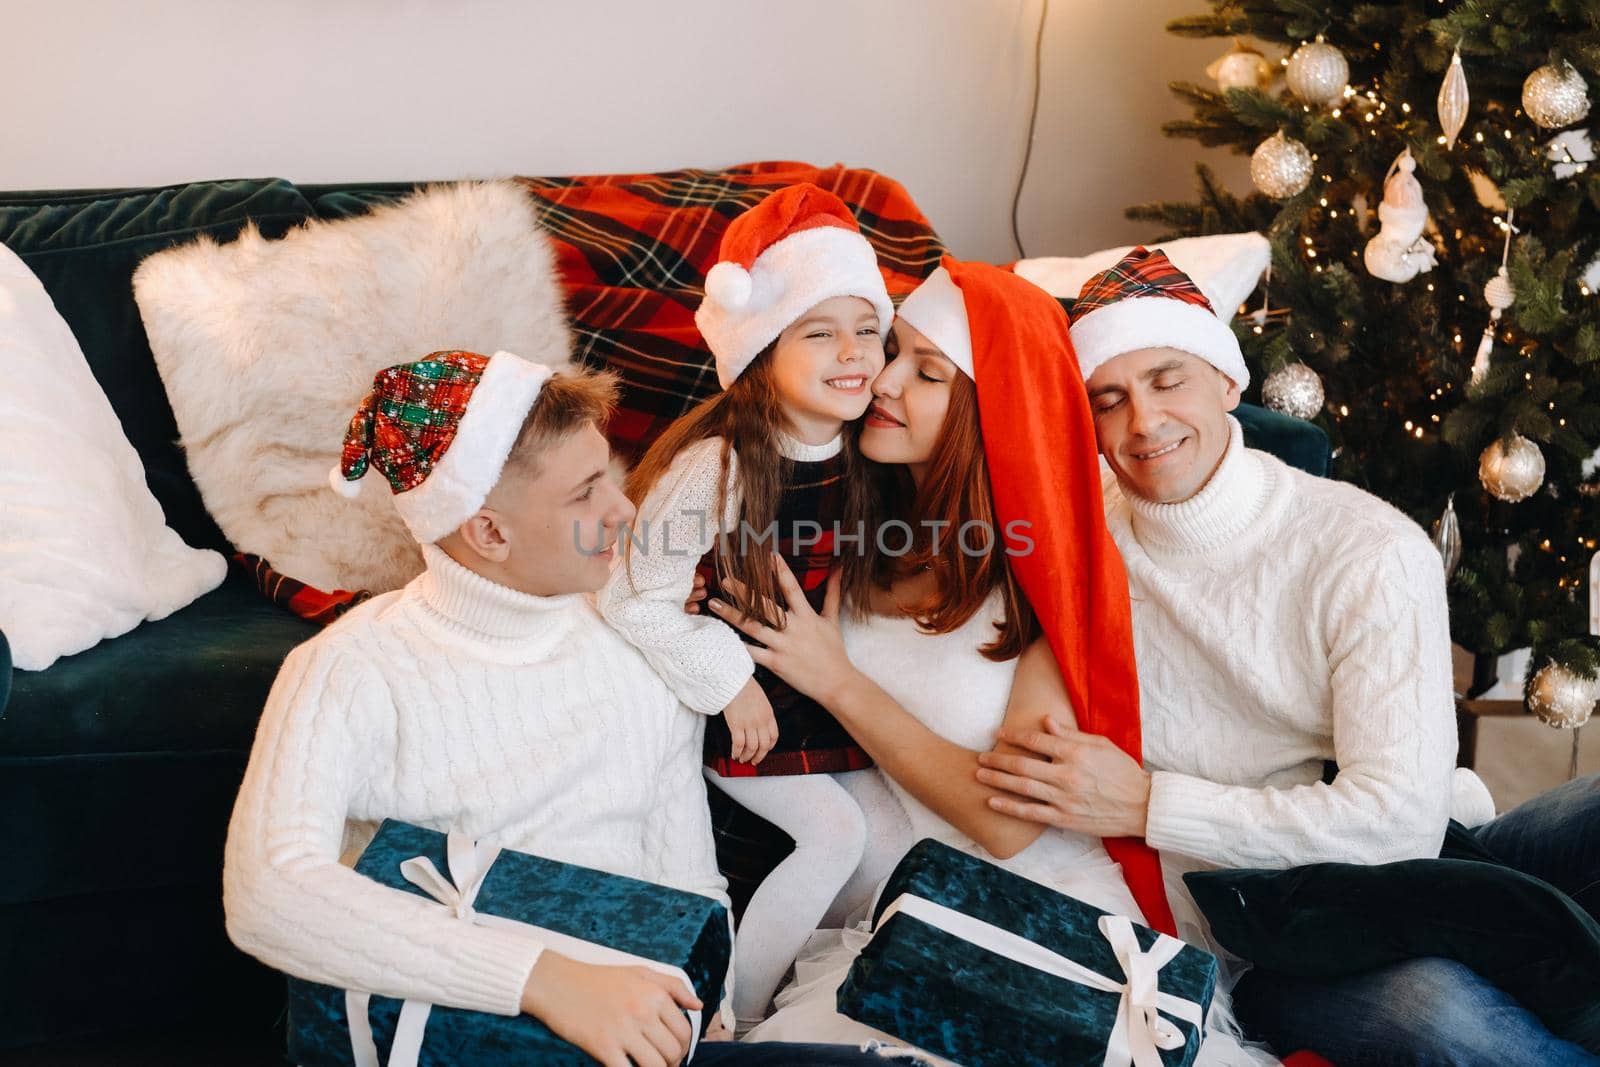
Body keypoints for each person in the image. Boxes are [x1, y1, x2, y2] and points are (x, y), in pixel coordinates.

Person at [976, 246, 1600, 1065]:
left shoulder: (1365, 547)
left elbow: (1399, 823)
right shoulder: (1071, 536)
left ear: (1228, 381)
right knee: (1442, 1020)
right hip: (1248, 929)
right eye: (1109, 399)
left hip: (1397, 854)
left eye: (1169, 379)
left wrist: (1145, 804)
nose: (1144, 423)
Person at [223, 349, 895, 1067]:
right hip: (472, 1037)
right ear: (488, 532)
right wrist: (545, 983)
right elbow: (268, 891)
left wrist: (715, 1006)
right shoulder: (348, 669)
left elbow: (688, 879)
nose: (625, 507)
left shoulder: (637, 646)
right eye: (586, 492)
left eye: (609, 473)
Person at [713, 261, 1274, 1065]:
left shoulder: (1041, 585)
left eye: (927, 371)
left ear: (989, 412)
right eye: (894, 349)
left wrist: (835, 678)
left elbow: (1007, 822)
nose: (883, 378)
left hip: (1033, 906)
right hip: (892, 904)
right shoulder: (848, 533)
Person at [598, 184, 913, 1030]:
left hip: (816, 691)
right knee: (834, 838)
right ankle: (731, 1016)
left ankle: (819, 1001)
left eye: (868, 329)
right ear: (761, 349)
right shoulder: (717, 465)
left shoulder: (865, 448)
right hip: (730, 702)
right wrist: (727, 679)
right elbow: (632, 597)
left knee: (889, 841)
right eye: (819, 331)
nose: (853, 352)